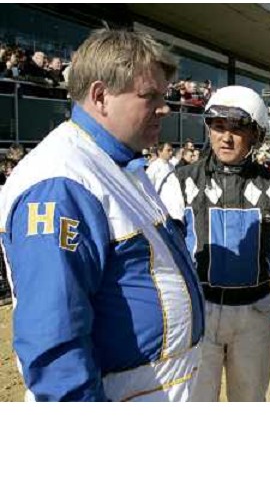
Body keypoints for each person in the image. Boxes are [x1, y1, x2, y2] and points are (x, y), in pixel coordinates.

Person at [0, 29, 205, 402]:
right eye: (150, 96)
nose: (166, 108)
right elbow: (54, 343)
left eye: (165, 96)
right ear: (100, 96)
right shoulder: (61, 183)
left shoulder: (119, 163)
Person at [160, 85, 270, 401]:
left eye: (238, 127)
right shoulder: (180, 181)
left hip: (255, 314)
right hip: (199, 312)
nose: (226, 137)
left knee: (249, 400)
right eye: (218, 126)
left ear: (256, 133)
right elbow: (161, 254)